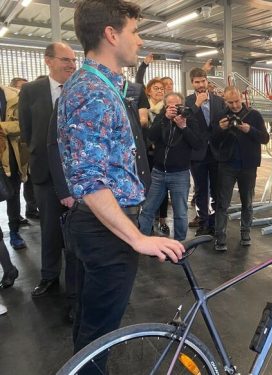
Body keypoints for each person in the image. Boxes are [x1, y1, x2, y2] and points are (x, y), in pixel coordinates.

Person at [57, 0, 184, 352]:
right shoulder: (92, 91)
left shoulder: (98, 86)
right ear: (111, 34)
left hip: (97, 224)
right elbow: (90, 180)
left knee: (90, 325)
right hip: (105, 229)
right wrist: (137, 238)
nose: (140, 40)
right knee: (99, 336)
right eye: (135, 31)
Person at [19, 42, 77, 298]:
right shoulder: (31, 91)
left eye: (74, 60)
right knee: (50, 228)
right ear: (48, 60)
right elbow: (26, 130)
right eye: (65, 59)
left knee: (78, 230)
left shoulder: (79, 88)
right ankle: (49, 276)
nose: (71, 65)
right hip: (44, 173)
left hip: (77, 174)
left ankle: (77, 280)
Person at [138, 92, 204, 240]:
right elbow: (151, 136)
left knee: (180, 213)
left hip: (179, 173)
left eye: (177, 106)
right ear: (165, 105)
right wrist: (164, 119)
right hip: (158, 172)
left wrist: (183, 127)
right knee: (148, 210)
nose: (174, 109)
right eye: (170, 106)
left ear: (183, 105)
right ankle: (142, 242)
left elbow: (197, 144)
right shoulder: (161, 118)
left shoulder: (190, 119)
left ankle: (180, 246)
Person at [212, 86, 269, 251]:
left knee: (247, 202)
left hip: (248, 165)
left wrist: (249, 129)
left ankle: (246, 233)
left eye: (237, 101)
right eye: (230, 102)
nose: (235, 105)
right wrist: (220, 129)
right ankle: (220, 238)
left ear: (241, 98)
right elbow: (212, 140)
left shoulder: (254, 115)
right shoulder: (220, 116)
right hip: (227, 164)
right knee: (222, 203)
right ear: (225, 102)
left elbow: (265, 138)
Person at [185, 67, 226, 236]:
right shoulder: (187, 102)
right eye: (197, 82)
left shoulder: (218, 101)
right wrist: (197, 104)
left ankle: (215, 223)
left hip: (216, 152)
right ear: (192, 83)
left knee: (217, 190)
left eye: (203, 81)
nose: (201, 85)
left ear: (207, 81)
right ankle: (203, 224)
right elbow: (184, 121)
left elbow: (222, 124)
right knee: (201, 190)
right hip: (197, 153)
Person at [0, 83, 28, 250]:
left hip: (9, 155)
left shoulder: (13, 96)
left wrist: (3, 127)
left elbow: (23, 124)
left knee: (13, 195)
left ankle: (14, 232)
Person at [8, 77, 38, 222]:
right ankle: (15, 218)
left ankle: (31, 209)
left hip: (27, 151)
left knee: (30, 182)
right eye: (21, 88)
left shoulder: (29, 105)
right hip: (13, 154)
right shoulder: (9, 107)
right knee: (14, 189)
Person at [144, 77, 170, 235]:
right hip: (146, 154)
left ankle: (162, 220)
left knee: (163, 187)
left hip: (163, 154)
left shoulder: (167, 109)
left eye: (161, 88)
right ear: (148, 91)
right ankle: (147, 220)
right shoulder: (143, 108)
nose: (159, 91)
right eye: (156, 88)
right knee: (148, 187)